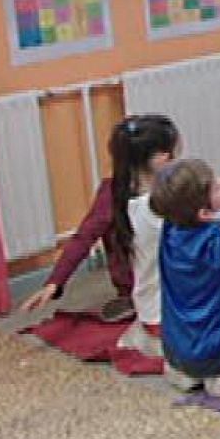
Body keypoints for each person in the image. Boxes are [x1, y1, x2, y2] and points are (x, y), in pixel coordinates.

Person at [18, 115, 180, 322]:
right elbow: (84, 238)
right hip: (142, 281)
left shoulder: (171, 184)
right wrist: (55, 282)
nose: (172, 159)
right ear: (160, 157)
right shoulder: (113, 194)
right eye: (170, 153)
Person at [149, 158, 220, 395]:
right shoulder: (218, 240)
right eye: (216, 186)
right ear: (204, 213)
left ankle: (187, 373)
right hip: (217, 353)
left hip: (176, 349)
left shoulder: (170, 228)